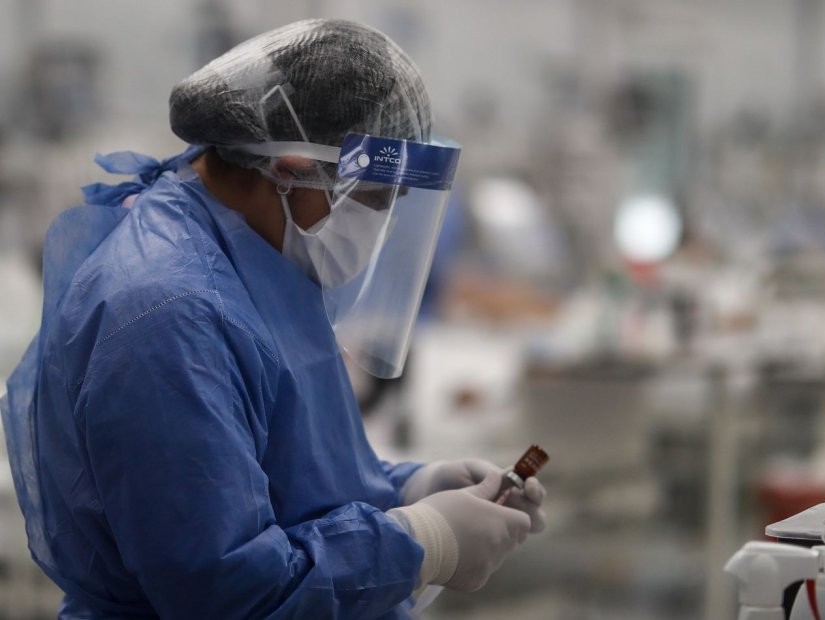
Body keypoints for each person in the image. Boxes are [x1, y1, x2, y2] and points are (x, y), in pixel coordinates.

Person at [1, 19, 546, 619]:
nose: (383, 224)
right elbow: (225, 591)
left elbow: (287, 477)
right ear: (290, 170)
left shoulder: (260, 259)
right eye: (375, 199)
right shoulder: (168, 314)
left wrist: (410, 488)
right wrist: (424, 540)